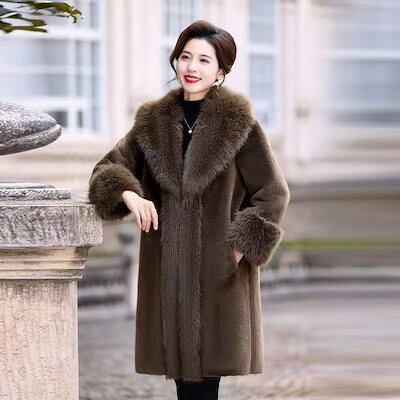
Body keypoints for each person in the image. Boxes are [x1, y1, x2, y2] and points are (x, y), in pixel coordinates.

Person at [88, 20, 290, 400]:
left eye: (203, 60)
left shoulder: (239, 124)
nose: (191, 67)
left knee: (204, 385)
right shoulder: (151, 122)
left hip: (218, 276)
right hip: (168, 273)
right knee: (185, 385)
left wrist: (238, 248)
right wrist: (130, 194)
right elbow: (105, 171)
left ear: (221, 71)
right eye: (185, 56)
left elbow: (273, 193)